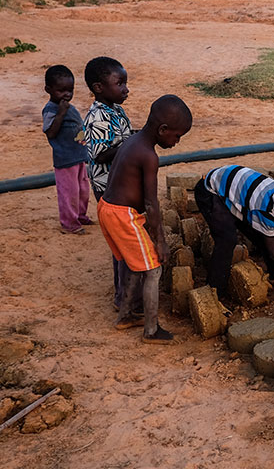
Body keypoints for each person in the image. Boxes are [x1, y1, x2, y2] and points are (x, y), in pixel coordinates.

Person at [99, 95, 192, 343]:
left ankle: (126, 315)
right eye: (176, 136)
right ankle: (151, 330)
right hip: (122, 215)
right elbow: (151, 203)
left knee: (132, 264)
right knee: (153, 269)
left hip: (107, 208)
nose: (177, 141)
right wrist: (160, 241)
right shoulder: (149, 156)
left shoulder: (133, 141)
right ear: (163, 130)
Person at [194, 165, 274, 294]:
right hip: (211, 191)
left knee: (263, 235)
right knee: (227, 239)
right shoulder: (265, 210)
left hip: (236, 191)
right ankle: (214, 290)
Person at [83, 57, 135, 313]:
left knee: (124, 243)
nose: (126, 88)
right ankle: (122, 297)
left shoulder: (115, 109)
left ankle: (125, 291)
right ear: (99, 87)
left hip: (118, 183)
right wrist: (131, 145)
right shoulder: (97, 117)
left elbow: (123, 136)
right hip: (107, 188)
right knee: (122, 243)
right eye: (120, 83)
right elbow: (101, 154)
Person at [41, 65, 92, 234]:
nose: (67, 94)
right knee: (69, 193)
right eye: (61, 91)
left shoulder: (70, 107)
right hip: (65, 160)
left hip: (78, 157)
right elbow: (50, 132)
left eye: (70, 90)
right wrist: (61, 114)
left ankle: (80, 215)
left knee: (83, 190)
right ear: (48, 89)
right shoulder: (51, 110)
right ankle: (69, 223)